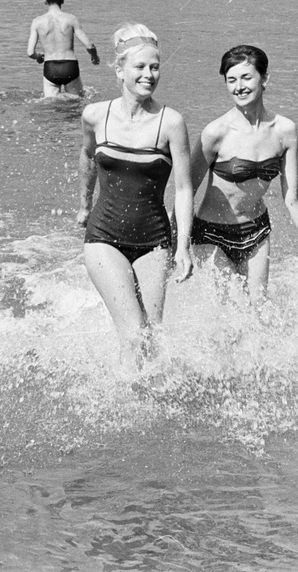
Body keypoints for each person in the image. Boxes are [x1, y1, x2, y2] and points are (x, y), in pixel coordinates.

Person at [76, 23, 193, 364]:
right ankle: (125, 411)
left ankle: (153, 408)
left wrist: (182, 244)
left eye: (155, 67)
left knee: (153, 337)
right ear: (120, 70)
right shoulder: (95, 115)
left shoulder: (171, 122)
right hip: (104, 238)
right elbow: (86, 157)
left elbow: (184, 187)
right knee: (133, 334)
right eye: (140, 67)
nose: (149, 74)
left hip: (154, 241)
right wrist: (83, 205)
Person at [189, 45, 298, 306]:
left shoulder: (285, 130)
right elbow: (185, 190)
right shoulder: (216, 133)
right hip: (212, 234)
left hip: (256, 232)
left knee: (258, 312)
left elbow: (292, 197)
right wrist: (176, 244)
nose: (239, 87)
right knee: (227, 315)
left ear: (265, 78)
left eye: (246, 77)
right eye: (231, 80)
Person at [27, 0, 99, 97]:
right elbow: (89, 46)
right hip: (69, 66)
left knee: (51, 106)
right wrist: (95, 57)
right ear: (63, 0)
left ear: (45, 1)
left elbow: (30, 52)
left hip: (50, 67)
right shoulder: (71, 19)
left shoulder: (37, 22)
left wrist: (38, 57)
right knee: (76, 103)